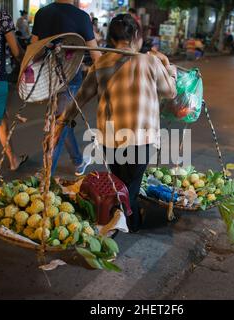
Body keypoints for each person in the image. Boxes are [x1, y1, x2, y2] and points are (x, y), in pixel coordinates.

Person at [53, 14, 177, 232]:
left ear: (111, 38)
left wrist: (62, 121)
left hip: (110, 139)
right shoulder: (150, 61)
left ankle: (119, 221)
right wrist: (168, 66)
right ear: (137, 36)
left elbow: (80, 98)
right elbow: (171, 91)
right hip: (140, 139)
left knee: (120, 183)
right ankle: (123, 225)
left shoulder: (101, 63)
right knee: (128, 189)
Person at [31, 0, 101, 176]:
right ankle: (46, 175)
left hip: (47, 78)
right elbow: (97, 58)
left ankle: (78, 161)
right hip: (70, 79)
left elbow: (33, 50)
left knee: (60, 120)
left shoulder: (42, 13)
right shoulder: (82, 17)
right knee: (60, 124)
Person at [0, 0, 28, 171]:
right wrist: (28, 62)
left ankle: (13, 159)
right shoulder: (0, 17)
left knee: (1, 117)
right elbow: (16, 51)